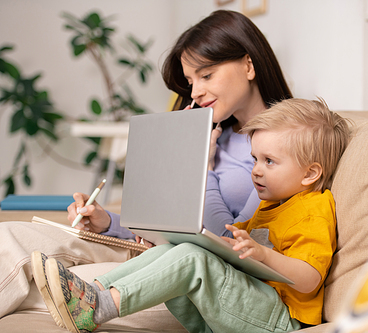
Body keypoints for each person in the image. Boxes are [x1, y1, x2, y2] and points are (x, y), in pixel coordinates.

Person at [0, 9, 291, 318]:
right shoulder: (212, 132)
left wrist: (202, 167)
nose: (196, 92)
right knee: (10, 237)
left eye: (206, 75)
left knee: (41, 281)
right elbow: (168, 223)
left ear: (248, 65)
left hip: (187, 268)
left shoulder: (282, 146)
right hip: (150, 250)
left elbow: (228, 245)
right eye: (191, 81)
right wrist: (109, 222)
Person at [32, 98, 351, 332]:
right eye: (255, 159)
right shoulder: (273, 205)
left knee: (192, 258)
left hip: (280, 320)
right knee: (178, 248)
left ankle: (98, 307)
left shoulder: (313, 210)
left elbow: (310, 280)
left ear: (310, 174)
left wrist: (264, 257)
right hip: (241, 311)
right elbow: (227, 250)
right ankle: (93, 293)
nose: (255, 171)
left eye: (269, 161)